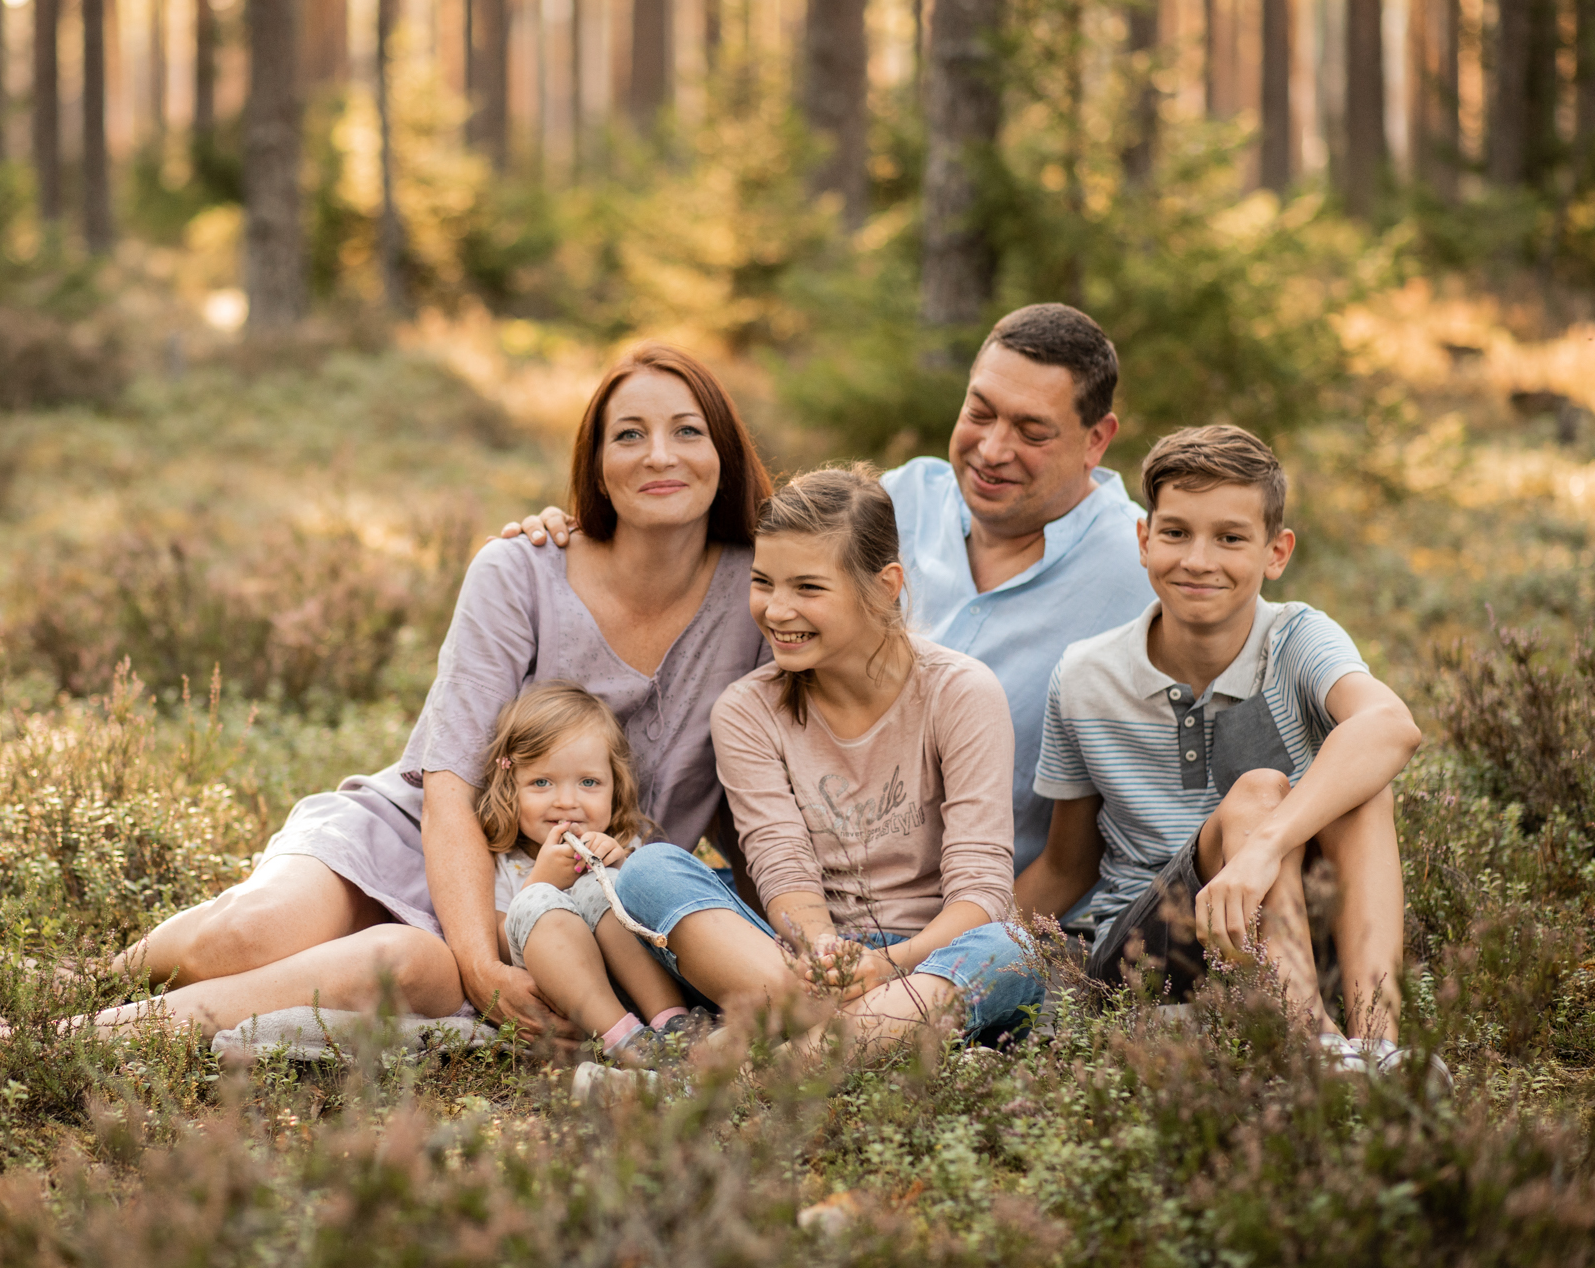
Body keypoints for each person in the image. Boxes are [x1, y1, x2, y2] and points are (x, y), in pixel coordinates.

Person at [0, 342, 774, 1048]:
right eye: (630, 433)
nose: (662, 455)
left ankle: (44, 1043)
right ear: (594, 461)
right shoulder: (522, 569)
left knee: (398, 964)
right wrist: (476, 963)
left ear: (725, 451)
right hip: (423, 839)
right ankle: (72, 979)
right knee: (245, 934)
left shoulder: (762, 596)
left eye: (688, 430)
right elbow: (448, 779)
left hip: (554, 908)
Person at [505, 305, 1155, 883]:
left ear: (1096, 439)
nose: (991, 448)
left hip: (983, 904)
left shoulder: (1139, 569)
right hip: (806, 888)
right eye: (978, 411)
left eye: (1032, 431)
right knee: (657, 876)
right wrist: (586, 528)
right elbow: (768, 537)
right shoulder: (900, 500)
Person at [1012, 426, 1425, 1062]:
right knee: (1259, 790)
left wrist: (1261, 848)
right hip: (1150, 948)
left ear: (1275, 552)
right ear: (1145, 540)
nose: (1198, 560)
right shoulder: (1085, 676)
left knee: (1360, 790)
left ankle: (1378, 1048)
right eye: (1176, 533)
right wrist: (946, 956)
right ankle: (1312, 1049)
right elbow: (1069, 863)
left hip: (1291, 924)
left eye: (1230, 538)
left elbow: (1391, 725)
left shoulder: (1298, 639)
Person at [612, 466, 1039, 1053]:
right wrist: (826, 955)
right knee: (646, 871)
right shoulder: (748, 711)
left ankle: (767, 1063)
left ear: (885, 585)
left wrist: (887, 966)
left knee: (1007, 951)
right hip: (799, 960)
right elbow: (782, 869)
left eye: (808, 588)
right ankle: (870, 1036)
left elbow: (980, 891)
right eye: (764, 582)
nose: (778, 610)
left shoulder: (960, 692)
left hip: (933, 957)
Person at [483, 682, 696, 1065]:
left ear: (616, 786)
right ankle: (628, 1045)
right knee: (535, 900)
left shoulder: (623, 842)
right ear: (508, 787)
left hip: (631, 983)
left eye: (589, 782)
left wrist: (623, 867)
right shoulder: (502, 857)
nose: (567, 802)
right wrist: (541, 882)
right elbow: (497, 944)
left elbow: (657, 922)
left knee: (610, 885)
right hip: (564, 993)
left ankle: (673, 1025)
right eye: (541, 782)